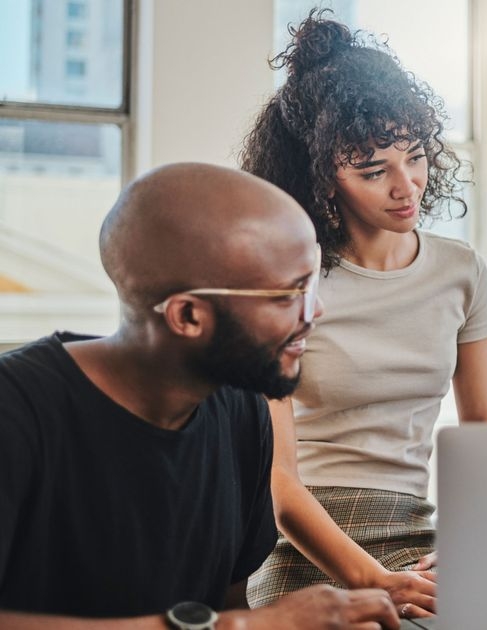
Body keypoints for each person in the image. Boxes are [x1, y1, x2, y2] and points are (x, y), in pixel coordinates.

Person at [0, 163, 400, 629]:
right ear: (188, 316)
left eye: (310, 285)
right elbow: (229, 624)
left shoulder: (242, 412)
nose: (316, 311)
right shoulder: (16, 414)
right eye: (287, 294)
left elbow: (227, 609)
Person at [240, 12, 487, 617]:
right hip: (304, 544)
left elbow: (483, 431)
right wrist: (375, 578)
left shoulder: (461, 272)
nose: (406, 185)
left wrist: (473, 542)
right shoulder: (289, 282)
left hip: (419, 534)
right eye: (373, 171)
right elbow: (280, 488)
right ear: (322, 178)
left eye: (413, 156)